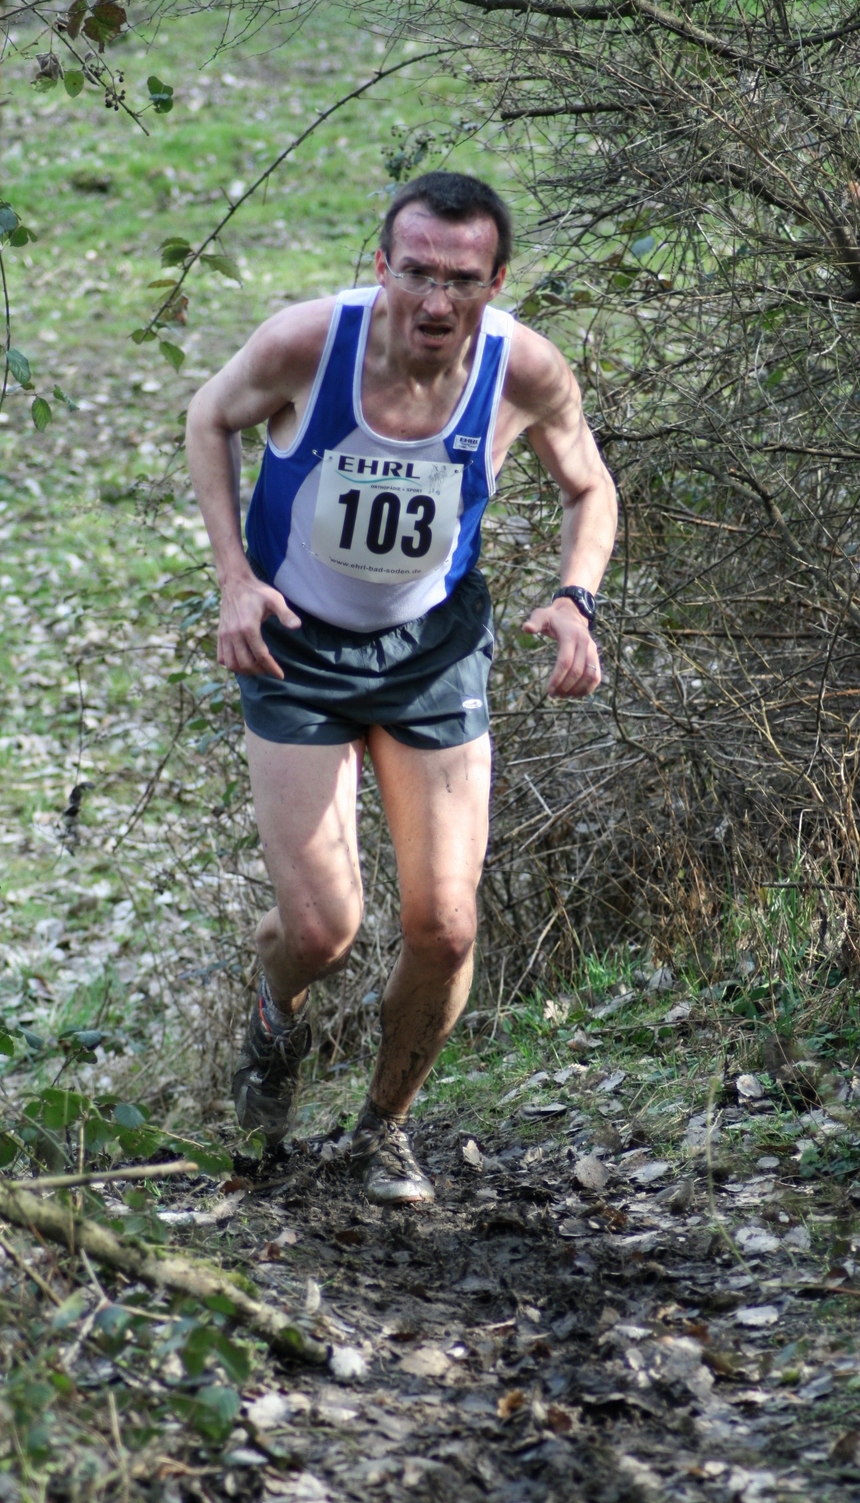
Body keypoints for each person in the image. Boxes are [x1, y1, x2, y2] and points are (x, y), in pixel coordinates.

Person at [186, 171, 616, 1206]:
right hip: (297, 646)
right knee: (321, 930)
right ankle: (273, 1014)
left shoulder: (523, 369)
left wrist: (576, 599)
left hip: (431, 650)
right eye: (417, 272)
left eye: (462, 280)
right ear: (381, 266)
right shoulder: (308, 344)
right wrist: (235, 579)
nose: (436, 299)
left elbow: (589, 484)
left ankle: (382, 1130)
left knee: (446, 925)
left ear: (495, 283)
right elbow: (209, 417)